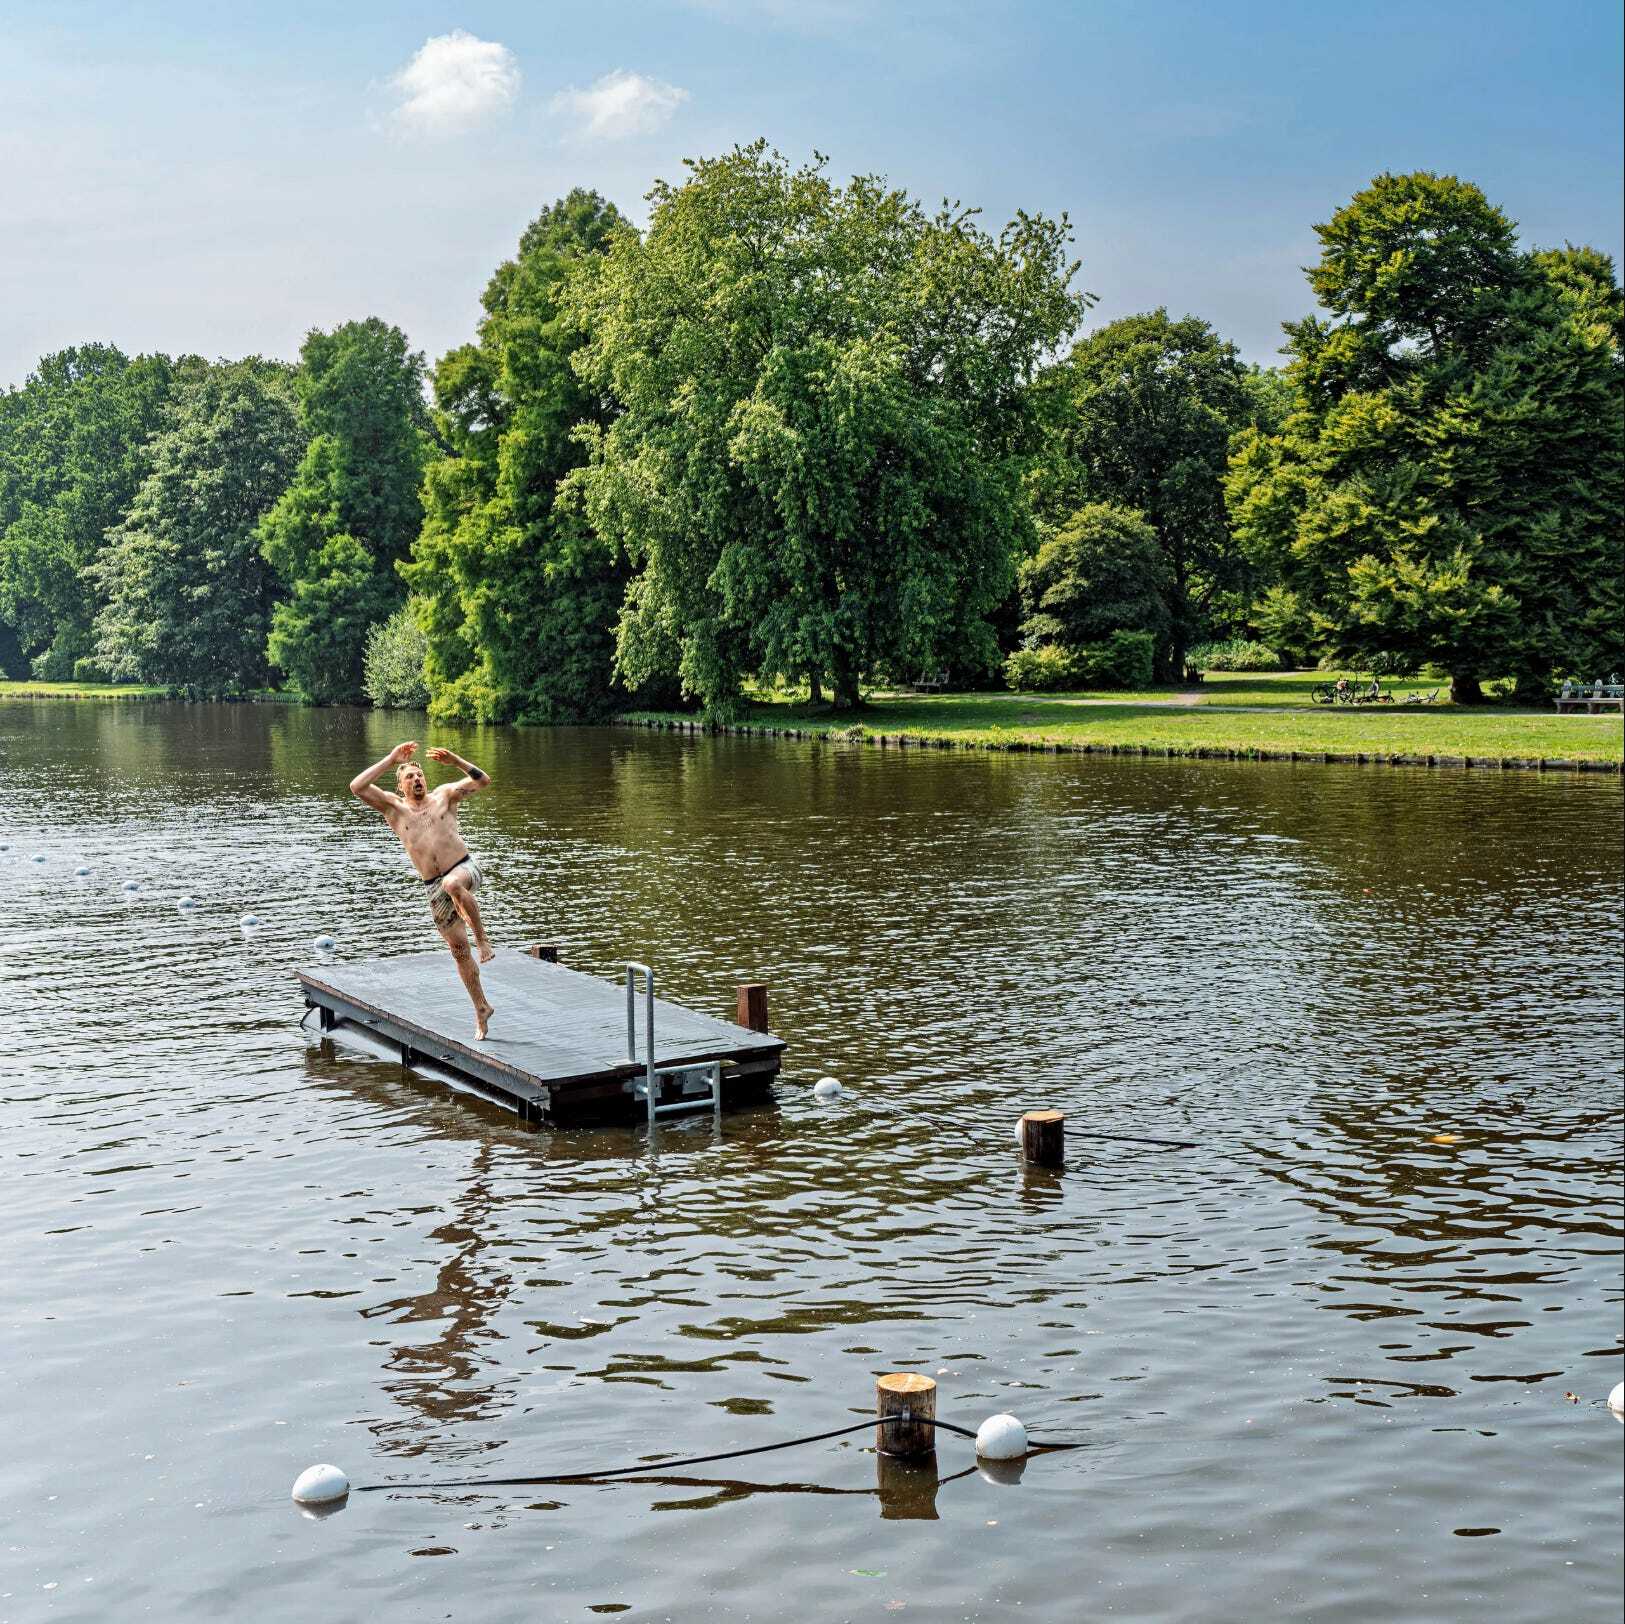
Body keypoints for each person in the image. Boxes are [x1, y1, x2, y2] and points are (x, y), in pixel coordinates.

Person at [349, 740, 496, 1039]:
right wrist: (392, 758)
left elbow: (483, 781)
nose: (417, 780)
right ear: (400, 785)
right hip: (433, 886)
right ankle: (481, 1007)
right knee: (457, 950)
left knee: (452, 883)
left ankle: (483, 940)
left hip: (465, 869)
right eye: (410, 777)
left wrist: (455, 760)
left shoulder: (444, 796)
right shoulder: (394, 808)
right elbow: (357, 786)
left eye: (420, 775)